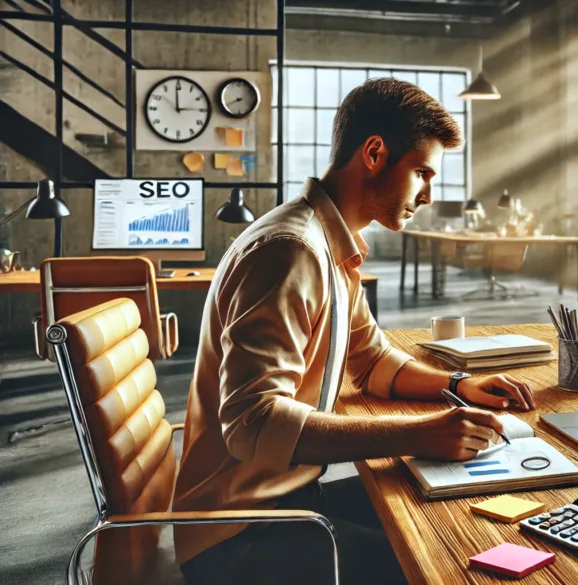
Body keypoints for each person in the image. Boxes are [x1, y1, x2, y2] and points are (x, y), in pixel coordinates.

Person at [172, 78, 536, 585]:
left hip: (284, 498)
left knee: (443, 511)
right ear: (374, 153)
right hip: (236, 537)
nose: (428, 195)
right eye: (421, 172)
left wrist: (456, 387)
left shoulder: (329, 243)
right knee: (446, 564)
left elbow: (372, 361)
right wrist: (421, 432)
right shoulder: (291, 250)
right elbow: (253, 424)